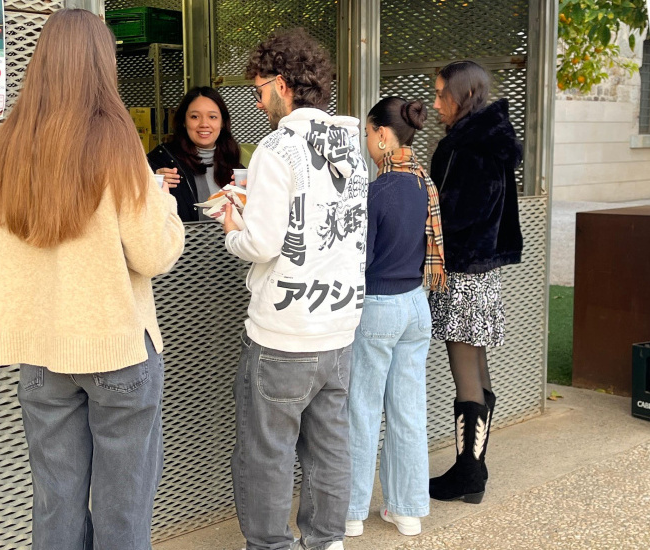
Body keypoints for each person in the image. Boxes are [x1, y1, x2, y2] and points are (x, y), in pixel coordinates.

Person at [0, 10, 185, 550]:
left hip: (41, 353)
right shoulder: (117, 145)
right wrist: (162, 202)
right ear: (101, 65)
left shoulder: (6, 147)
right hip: (116, 347)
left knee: (56, 503)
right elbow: (155, 253)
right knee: (123, 510)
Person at [223, 28, 369, 550]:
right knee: (331, 445)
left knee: (268, 452)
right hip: (339, 324)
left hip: (284, 330)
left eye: (260, 89)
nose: (258, 100)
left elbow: (262, 244)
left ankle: (269, 545)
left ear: (282, 85)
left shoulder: (275, 147)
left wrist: (232, 228)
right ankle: (327, 540)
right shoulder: (349, 142)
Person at [345, 97, 444, 539]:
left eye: (368, 134)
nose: (367, 142)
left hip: (378, 308)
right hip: (416, 306)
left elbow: (360, 261)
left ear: (384, 136)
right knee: (408, 411)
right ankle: (407, 512)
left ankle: (350, 512)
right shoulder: (425, 184)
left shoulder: (375, 192)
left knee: (362, 410)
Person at [425, 60, 523, 504]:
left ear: (463, 96)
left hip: (460, 269)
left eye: (441, 94)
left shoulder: (467, 146)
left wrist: (428, 225)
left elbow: (465, 210)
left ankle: (469, 473)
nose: (435, 102)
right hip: (481, 270)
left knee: (464, 368)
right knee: (476, 365)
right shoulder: (489, 140)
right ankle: (475, 467)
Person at [147, 86, 244, 221]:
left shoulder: (235, 166)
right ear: (183, 122)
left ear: (222, 122)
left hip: (229, 242)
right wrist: (151, 183)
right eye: (195, 116)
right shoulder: (161, 160)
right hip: (184, 242)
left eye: (212, 117)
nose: (204, 124)